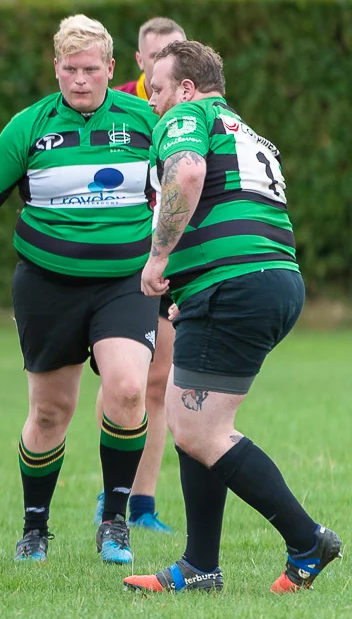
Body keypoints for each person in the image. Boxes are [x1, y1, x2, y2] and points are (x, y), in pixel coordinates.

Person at [0, 15, 156, 565]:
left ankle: (114, 522)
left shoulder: (144, 120)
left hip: (124, 282)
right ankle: (36, 528)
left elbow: (182, 187)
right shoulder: (28, 126)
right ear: (55, 68)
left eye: (90, 69)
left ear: (111, 69)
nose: (80, 80)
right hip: (46, 285)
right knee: (52, 411)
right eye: (69, 69)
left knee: (129, 390)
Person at [124, 41, 341, 593]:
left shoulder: (187, 117)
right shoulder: (248, 132)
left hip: (235, 286)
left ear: (188, 89)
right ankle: (200, 567)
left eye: (159, 89)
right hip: (265, 281)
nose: (153, 101)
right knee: (188, 417)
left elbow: (190, 175)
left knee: (200, 426)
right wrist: (191, 285)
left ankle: (307, 540)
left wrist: (159, 255)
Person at [93, 16, 188, 534]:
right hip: (120, 261)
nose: (162, 66)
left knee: (157, 382)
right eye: (154, 58)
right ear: (137, 62)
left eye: (173, 54)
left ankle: (142, 504)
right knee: (120, 381)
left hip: (164, 259)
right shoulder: (123, 107)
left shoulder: (188, 111)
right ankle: (112, 493)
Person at [114, 18, 187, 100]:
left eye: (177, 54)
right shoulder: (116, 102)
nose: (169, 64)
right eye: (158, 56)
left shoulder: (200, 101)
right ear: (140, 61)